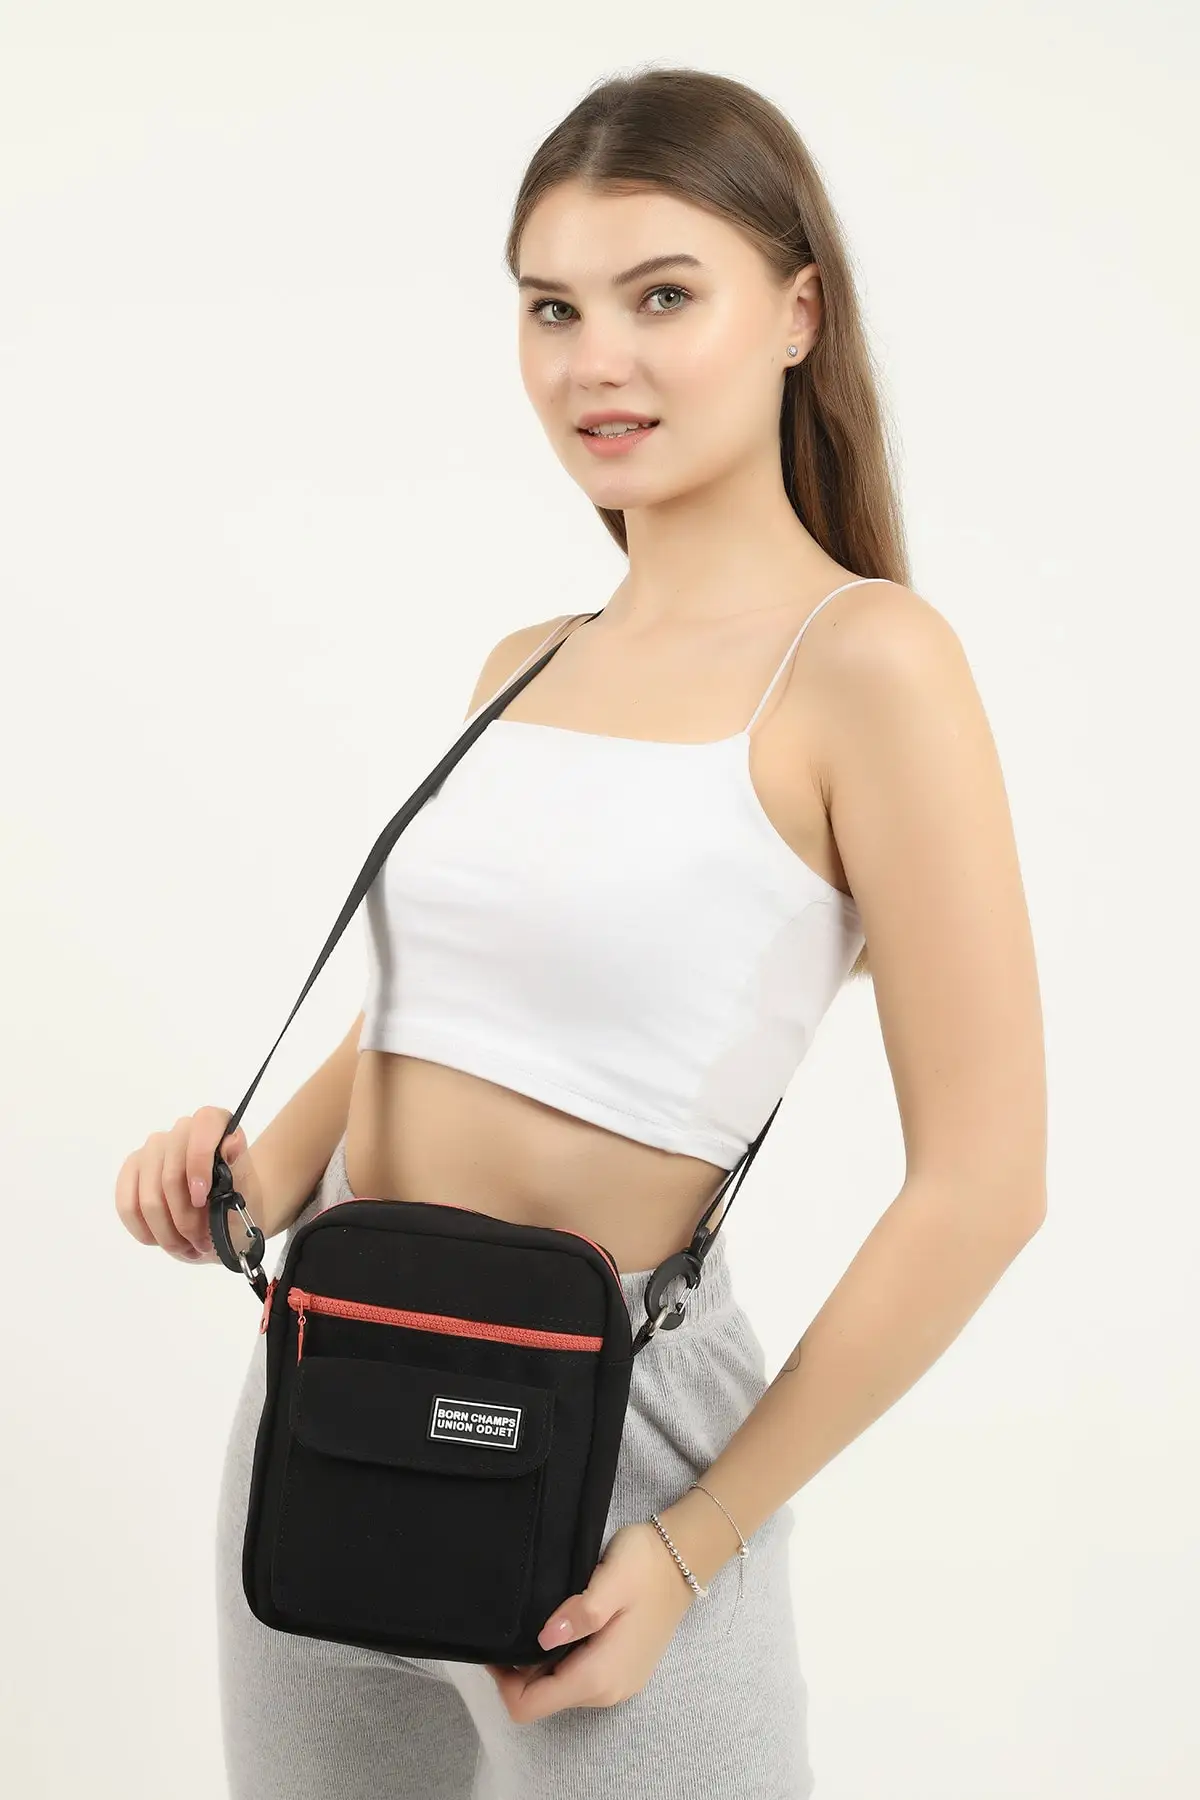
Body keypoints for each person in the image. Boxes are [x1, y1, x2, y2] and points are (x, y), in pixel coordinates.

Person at [115, 66, 1047, 1800]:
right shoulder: (524, 664)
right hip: (330, 1398)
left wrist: (691, 1546)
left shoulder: (869, 666)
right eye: (552, 308)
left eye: (661, 297)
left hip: (614, 1475)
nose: (594, 361)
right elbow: (424, 1022)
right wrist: (232, 1180)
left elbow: (986, 1185)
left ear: (798, 313)